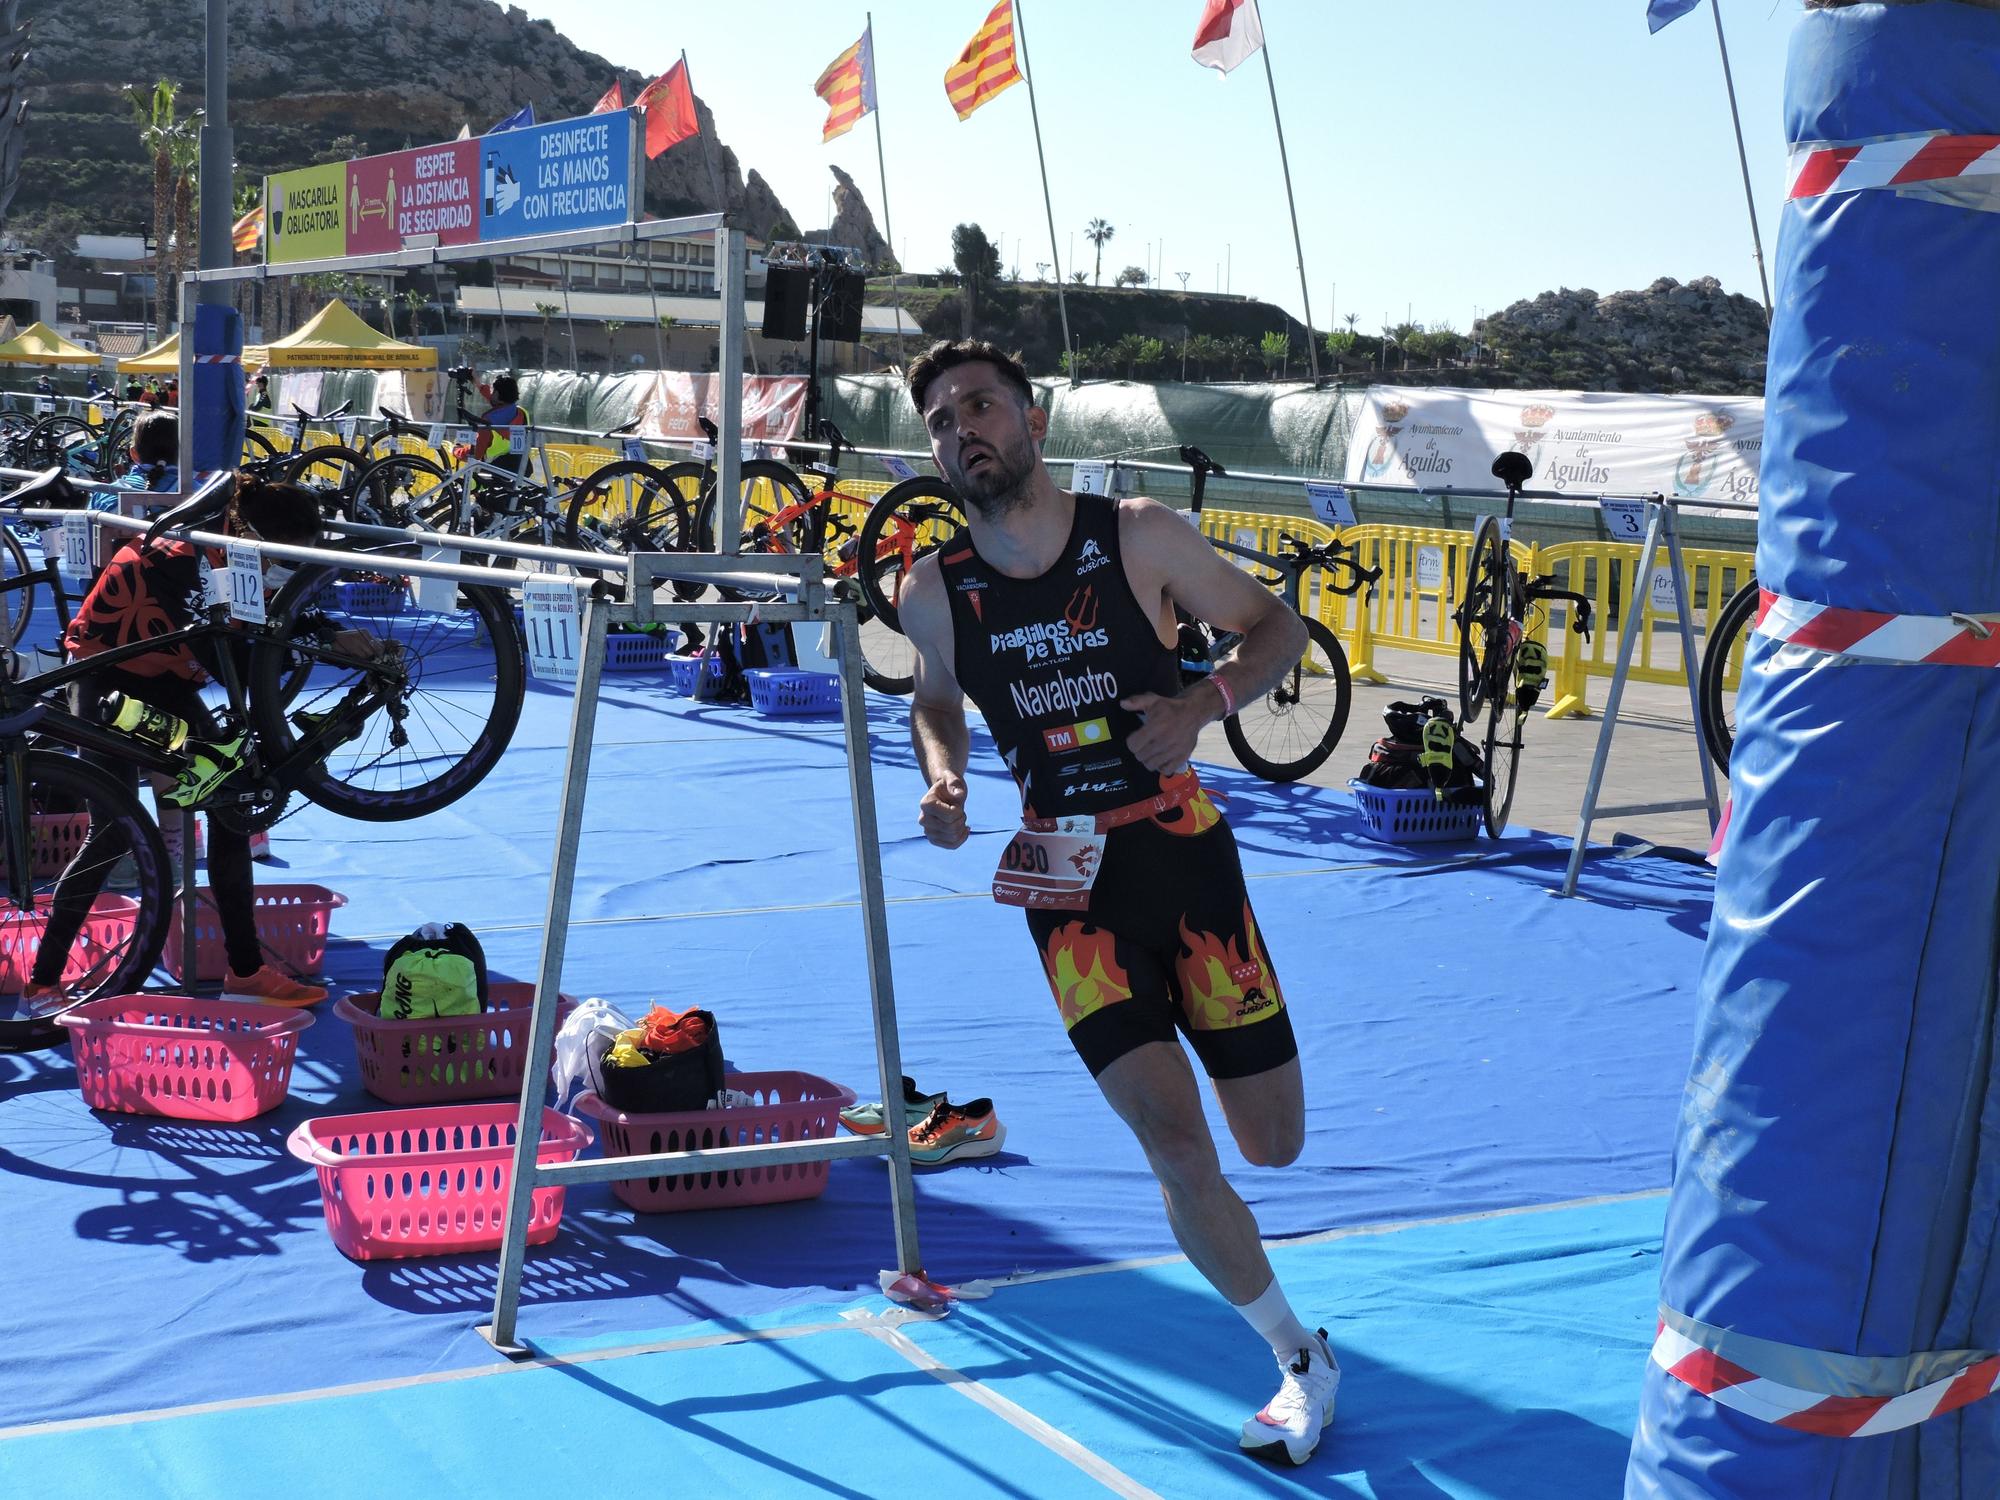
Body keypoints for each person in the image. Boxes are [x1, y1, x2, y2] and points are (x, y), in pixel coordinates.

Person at [895, 339, 1338, 1468]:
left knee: (1269, 1143)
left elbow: (1276, 626)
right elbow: (936, 702)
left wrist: (1202, 703)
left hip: (1183, 859)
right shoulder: (935, 590)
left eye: (980, 405)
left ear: (1032, 420)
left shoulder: (1135, 535)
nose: (962, 430)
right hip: (1066, 888)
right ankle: (1295, 1359)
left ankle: (1286, 1315)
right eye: (941, 420)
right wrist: (941, 773)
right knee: (1176, 1147)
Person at [23, 473, 382, 1011]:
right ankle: (43, 979)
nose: (279, 573)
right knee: (114, 831)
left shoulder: (227, 547)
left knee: (230, 803)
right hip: (106, 678)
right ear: (251, 535)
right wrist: (320, 645)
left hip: (166, 679)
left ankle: (245, 971)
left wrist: (326, 633)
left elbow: (270, 611)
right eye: (280, 560)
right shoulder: (184, 559)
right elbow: (231, 662)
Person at [472, 374, 530, 475]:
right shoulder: (521, 413)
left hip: (494, 472)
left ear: (497, 394)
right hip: (522, 468)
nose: (491, 394)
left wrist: (457, 450)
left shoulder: (488, 420)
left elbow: (477, 453)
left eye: (493, 391)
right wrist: (478, 385)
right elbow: (499, 403)